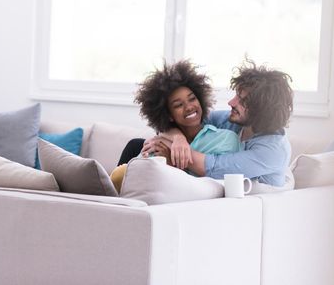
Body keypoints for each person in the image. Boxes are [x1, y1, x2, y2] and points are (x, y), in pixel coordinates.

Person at [140, 59, 293, 187]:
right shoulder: (231, 120)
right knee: (137, 144)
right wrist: (178, 139)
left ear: (262, 110)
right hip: (211, 197)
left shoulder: (273, 150)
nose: (231, 102)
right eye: (236, 95)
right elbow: (184, 121)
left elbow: (213, 168)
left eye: (243, 101)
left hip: (248, 211)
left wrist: (171, 152)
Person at [111, 60, 240, 191]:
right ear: (168, 115)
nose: (189, 107)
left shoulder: (225, 139)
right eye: (178, 105)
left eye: (192, 99)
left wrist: (171, 165)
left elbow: (215, 185)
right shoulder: (159, 143)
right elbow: (134, 180)